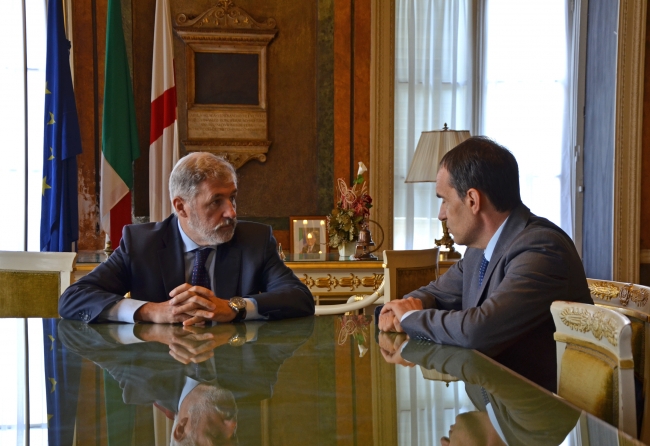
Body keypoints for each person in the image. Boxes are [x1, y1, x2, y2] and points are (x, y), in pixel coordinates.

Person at [378, 136, 592, 392]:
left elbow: (478, 331)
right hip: (499, 400)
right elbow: (437, 293)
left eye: (444, 200)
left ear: (472, 200)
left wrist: (411, 316)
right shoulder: (478, 251)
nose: (441, 214)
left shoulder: (542, 249)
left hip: (539, 413)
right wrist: (400, 308)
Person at [59, 152, 315, 324]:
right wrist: (150, 311)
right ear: (181, 207)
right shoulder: (141, 244)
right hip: (163, 372)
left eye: (232, 197)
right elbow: (73, 298)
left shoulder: (254, 240)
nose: (231, 212)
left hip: (233, 374)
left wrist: (235, 307)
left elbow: (299, 297)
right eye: (216, 201)